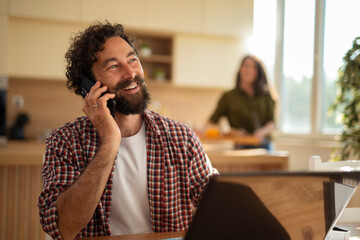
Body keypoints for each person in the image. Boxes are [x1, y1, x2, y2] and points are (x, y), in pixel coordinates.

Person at [37, 21, 218, 240]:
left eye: (133, 59)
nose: (131, 73)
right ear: (89, 85)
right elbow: (63, 228)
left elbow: (221, 206)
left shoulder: (181, 138)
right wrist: (111, 142)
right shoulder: (65, 142)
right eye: (113, 66)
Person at [207, 55, 276, 150]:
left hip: (264, 146)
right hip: (241, 147)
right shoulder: (229, 96)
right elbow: (212, 121)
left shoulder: (266, 96)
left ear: (258, 72)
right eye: (246, 66)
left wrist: (261, 132)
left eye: (253, 67)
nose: (249, 70)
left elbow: (271, 122)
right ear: (240, 69)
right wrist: (231, 132)